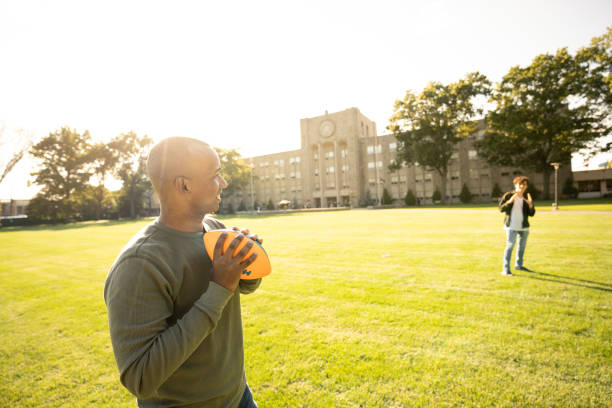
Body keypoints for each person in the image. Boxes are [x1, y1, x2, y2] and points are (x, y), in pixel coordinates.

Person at [104, 137, 262, 408]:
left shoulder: (214, 227)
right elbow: (140, 378)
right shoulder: (139, 264)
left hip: (239, 397)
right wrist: (219, 287)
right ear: (184, 185)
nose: (223, 183)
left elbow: (244, 286)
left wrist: (247, 261)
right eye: (215, 175)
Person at [498, 176, 536, 276]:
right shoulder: (508, 195)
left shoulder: (525, 198)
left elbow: (531, 214)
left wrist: (531, 205)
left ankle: (518, 265)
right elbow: (501, 209)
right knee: (509, 247)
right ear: (515, 185)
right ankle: (505, 270)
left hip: (524, 227)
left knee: (521, 247)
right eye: (520, 184)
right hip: (511, 226)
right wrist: (509, 202)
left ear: (526, 187)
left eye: (524, 185)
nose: (522, 186)